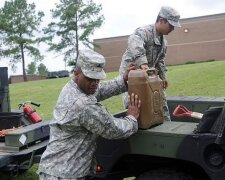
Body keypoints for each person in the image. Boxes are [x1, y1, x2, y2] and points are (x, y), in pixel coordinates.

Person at [37, 49, 141, 180]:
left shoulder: (73, 87)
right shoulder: (82, 105)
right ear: (76, 73)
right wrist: (131, 118)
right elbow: (113, 129)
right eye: (90, 78)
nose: (94, 83)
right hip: (63, 175)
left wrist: (122, 81)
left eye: (97, 79)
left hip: (57, 170)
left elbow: (99, 90)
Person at [119, 6, 181, 121]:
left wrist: (163, 77)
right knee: (135, 106)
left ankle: (165, 126)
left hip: (149, 76)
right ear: (162, 21)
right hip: (131, 77)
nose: (173, 29)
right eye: (171, 25)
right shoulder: (143, 32)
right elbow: (134, 43)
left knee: (159, 100)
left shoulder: (163, 42)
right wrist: (143, 64)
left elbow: (160, 61)